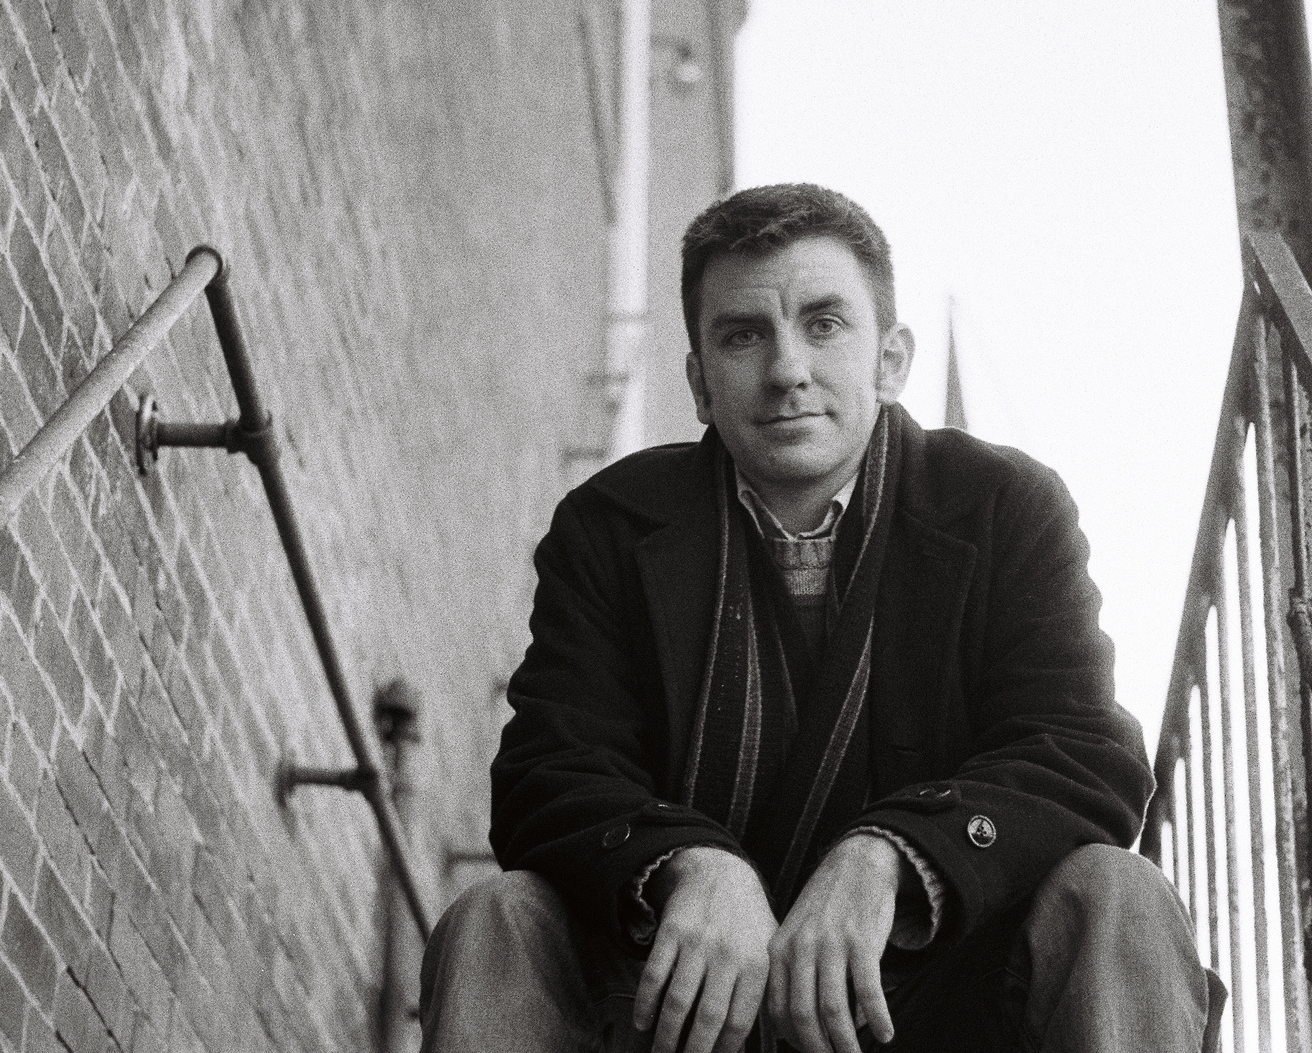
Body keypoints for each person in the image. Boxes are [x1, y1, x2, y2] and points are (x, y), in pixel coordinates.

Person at [421, 184, 1209, 1053]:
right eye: (743, 334)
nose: (787, 368)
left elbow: (1082, 752)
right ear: (699, 383)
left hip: (937, 1004)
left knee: (1118, 891)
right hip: (680, 1006)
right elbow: (547, 772)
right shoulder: (610, 526)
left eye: (824, 323)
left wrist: (893, 853)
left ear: (891, 360)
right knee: (498, 916)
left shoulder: (1002, 507)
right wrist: (689, 862)